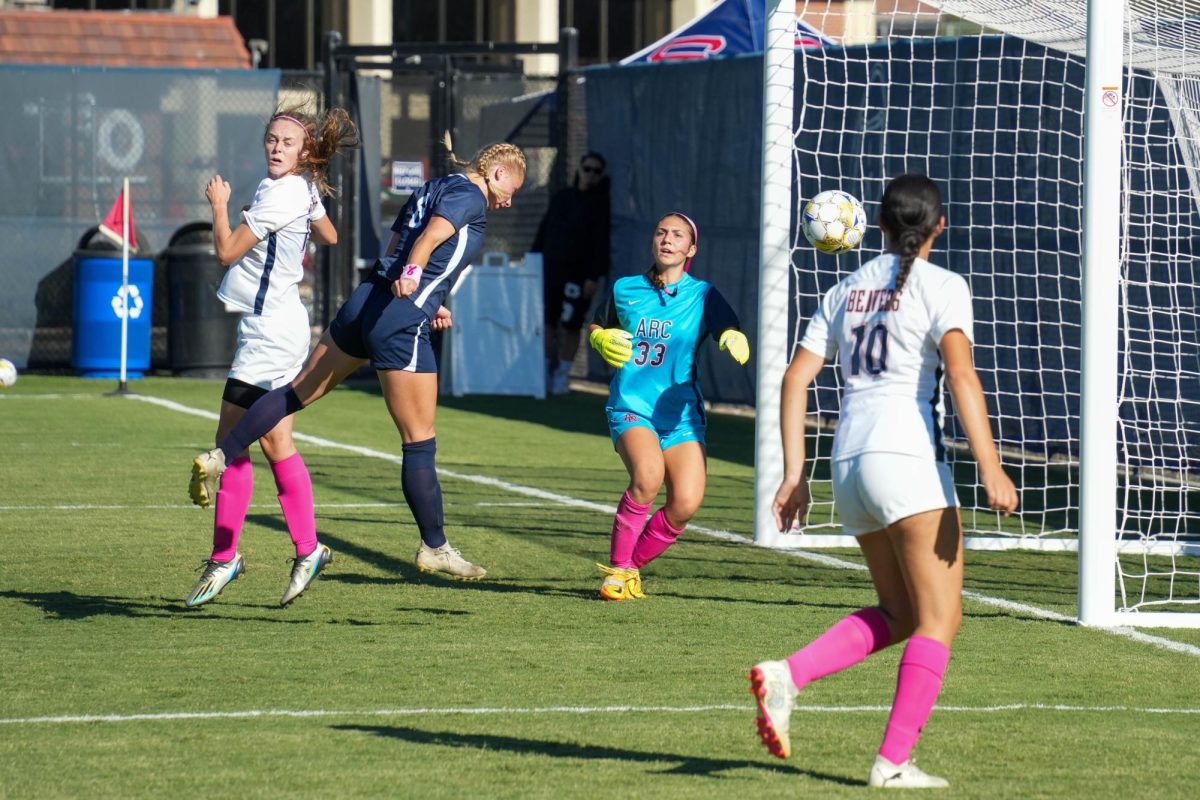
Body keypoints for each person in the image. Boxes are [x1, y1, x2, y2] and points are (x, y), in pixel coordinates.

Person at [748, 175, 1018, 788]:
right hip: (907, 458)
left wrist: (796, 473)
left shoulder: (846, 286)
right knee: (938, 620)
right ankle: (892, 763)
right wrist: (992, 466)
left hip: (849, 462)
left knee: (899, 612)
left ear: (879, 224)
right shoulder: (944, 284)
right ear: (938, 227)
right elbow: (962, 377)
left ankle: (788, 675)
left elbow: (795, 382)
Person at [188, 142, 527, 583]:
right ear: (498, 172)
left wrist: (426, 293)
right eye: (513, 188)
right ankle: (435, 546)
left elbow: (397, 241)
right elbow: (429, 238)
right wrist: (415, 283)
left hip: (367, 302)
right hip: (400, 319)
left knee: (294, 394)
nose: (509, 199)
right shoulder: (469, 197)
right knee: (419, 439)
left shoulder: (435, 186)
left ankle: (221, 455)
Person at [185, 105, 359, 608]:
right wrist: (307, 210)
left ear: (304, 152)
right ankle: (308, 549)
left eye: (287, 141)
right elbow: (329, 236)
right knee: (276, 444)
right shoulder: (300, 189)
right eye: (272, 139)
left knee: (228, 444)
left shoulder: (282, 192)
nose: (276, 147)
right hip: (282, 325)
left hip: (267, 336)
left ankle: (225, 559)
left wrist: (219, 205)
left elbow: (224, 252)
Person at [588, 212, 750, 601]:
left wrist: (730, 336)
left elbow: (727, 323)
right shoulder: (626, 289)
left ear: (691, 249)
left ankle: (629, 569)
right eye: (661, 232)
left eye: (678, 235)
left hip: (680, 418)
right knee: (648, 476)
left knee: (686, 503)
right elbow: (596, 324)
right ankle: (618, 570)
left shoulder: (703, 294)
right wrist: (599, 339)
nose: (667, 239)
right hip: (632, 407)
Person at [532, 152, 610, 395]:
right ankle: (543, 372)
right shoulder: (562, 197)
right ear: (579, 168)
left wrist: (593, 276)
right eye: (587, 168)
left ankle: (562, 375)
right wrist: (532, 259)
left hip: (578, 275)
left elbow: (601, 244)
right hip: (551, 268)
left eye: (596, 171)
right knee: (547, 321)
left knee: (572, 324)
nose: (591, 174)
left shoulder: (600, 204)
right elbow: (544, 229)